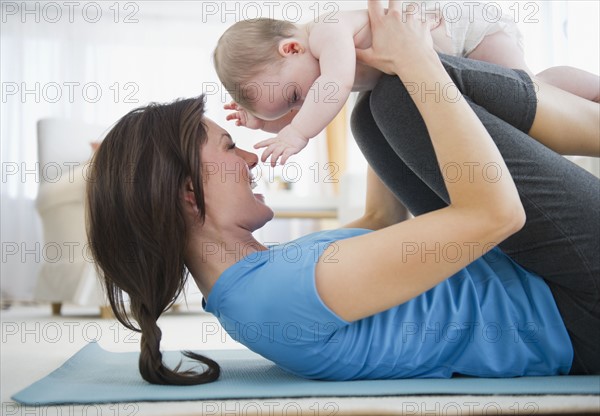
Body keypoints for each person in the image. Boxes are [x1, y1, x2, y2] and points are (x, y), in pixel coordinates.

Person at [87, 0, 599, 385]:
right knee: (402, 98)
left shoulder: (257, 282)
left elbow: (379, 218)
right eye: (228, 148)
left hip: (542, 281)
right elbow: (495, 215)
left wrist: (371, 84)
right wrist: (416, 60)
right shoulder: (274, 295)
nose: (247, 158)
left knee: (373, 116)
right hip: (579, 306)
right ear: (188, 196)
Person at [213, 2, 600, 166]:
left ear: (292, 47)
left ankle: (592, 90)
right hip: (448, 57)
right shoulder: (307, 67)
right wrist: (267, 124)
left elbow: (334, 84)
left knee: (528, 93)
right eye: (291, 108)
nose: (303, 106)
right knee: (520, 105)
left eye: (294, 97)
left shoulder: (326, 34)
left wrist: (297, 133)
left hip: (465, 30)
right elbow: (309, 104)